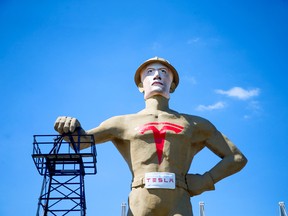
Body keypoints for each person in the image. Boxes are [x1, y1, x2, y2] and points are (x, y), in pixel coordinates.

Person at [54, 57, 247, 216]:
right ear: (140, 84)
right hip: (140, 201)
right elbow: (81, 142)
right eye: (150, 72)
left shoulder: (195, 124)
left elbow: (236, 157)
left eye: (164, 72)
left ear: (172, 85)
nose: (157, 75)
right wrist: (69, 126)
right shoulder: (121, 122)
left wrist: (205, 180)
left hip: (179, 200)